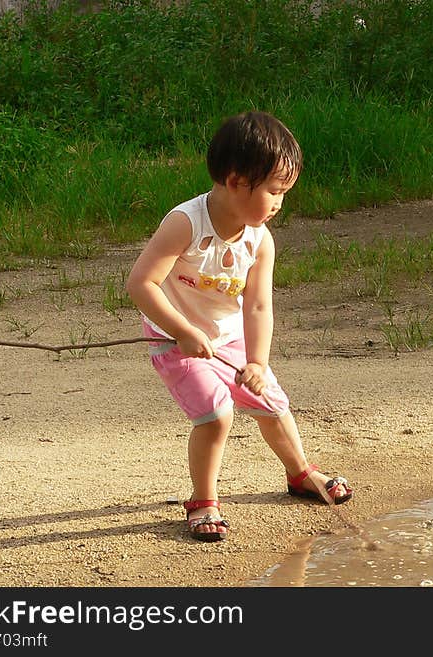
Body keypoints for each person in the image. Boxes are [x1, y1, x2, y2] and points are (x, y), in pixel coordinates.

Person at [126, 111, 353, 542]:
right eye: (274, 191)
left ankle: (301, 473)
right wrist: (182, 330)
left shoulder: (259, 239)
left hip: (226, 336)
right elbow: (141, 284)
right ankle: (203, 501)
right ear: (235, 181)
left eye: (285, 192)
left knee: (272, 402)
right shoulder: (185, 224)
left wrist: (258, 362)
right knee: (216, 414)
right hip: (174, 338)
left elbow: (259, 306)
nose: (280, 203)